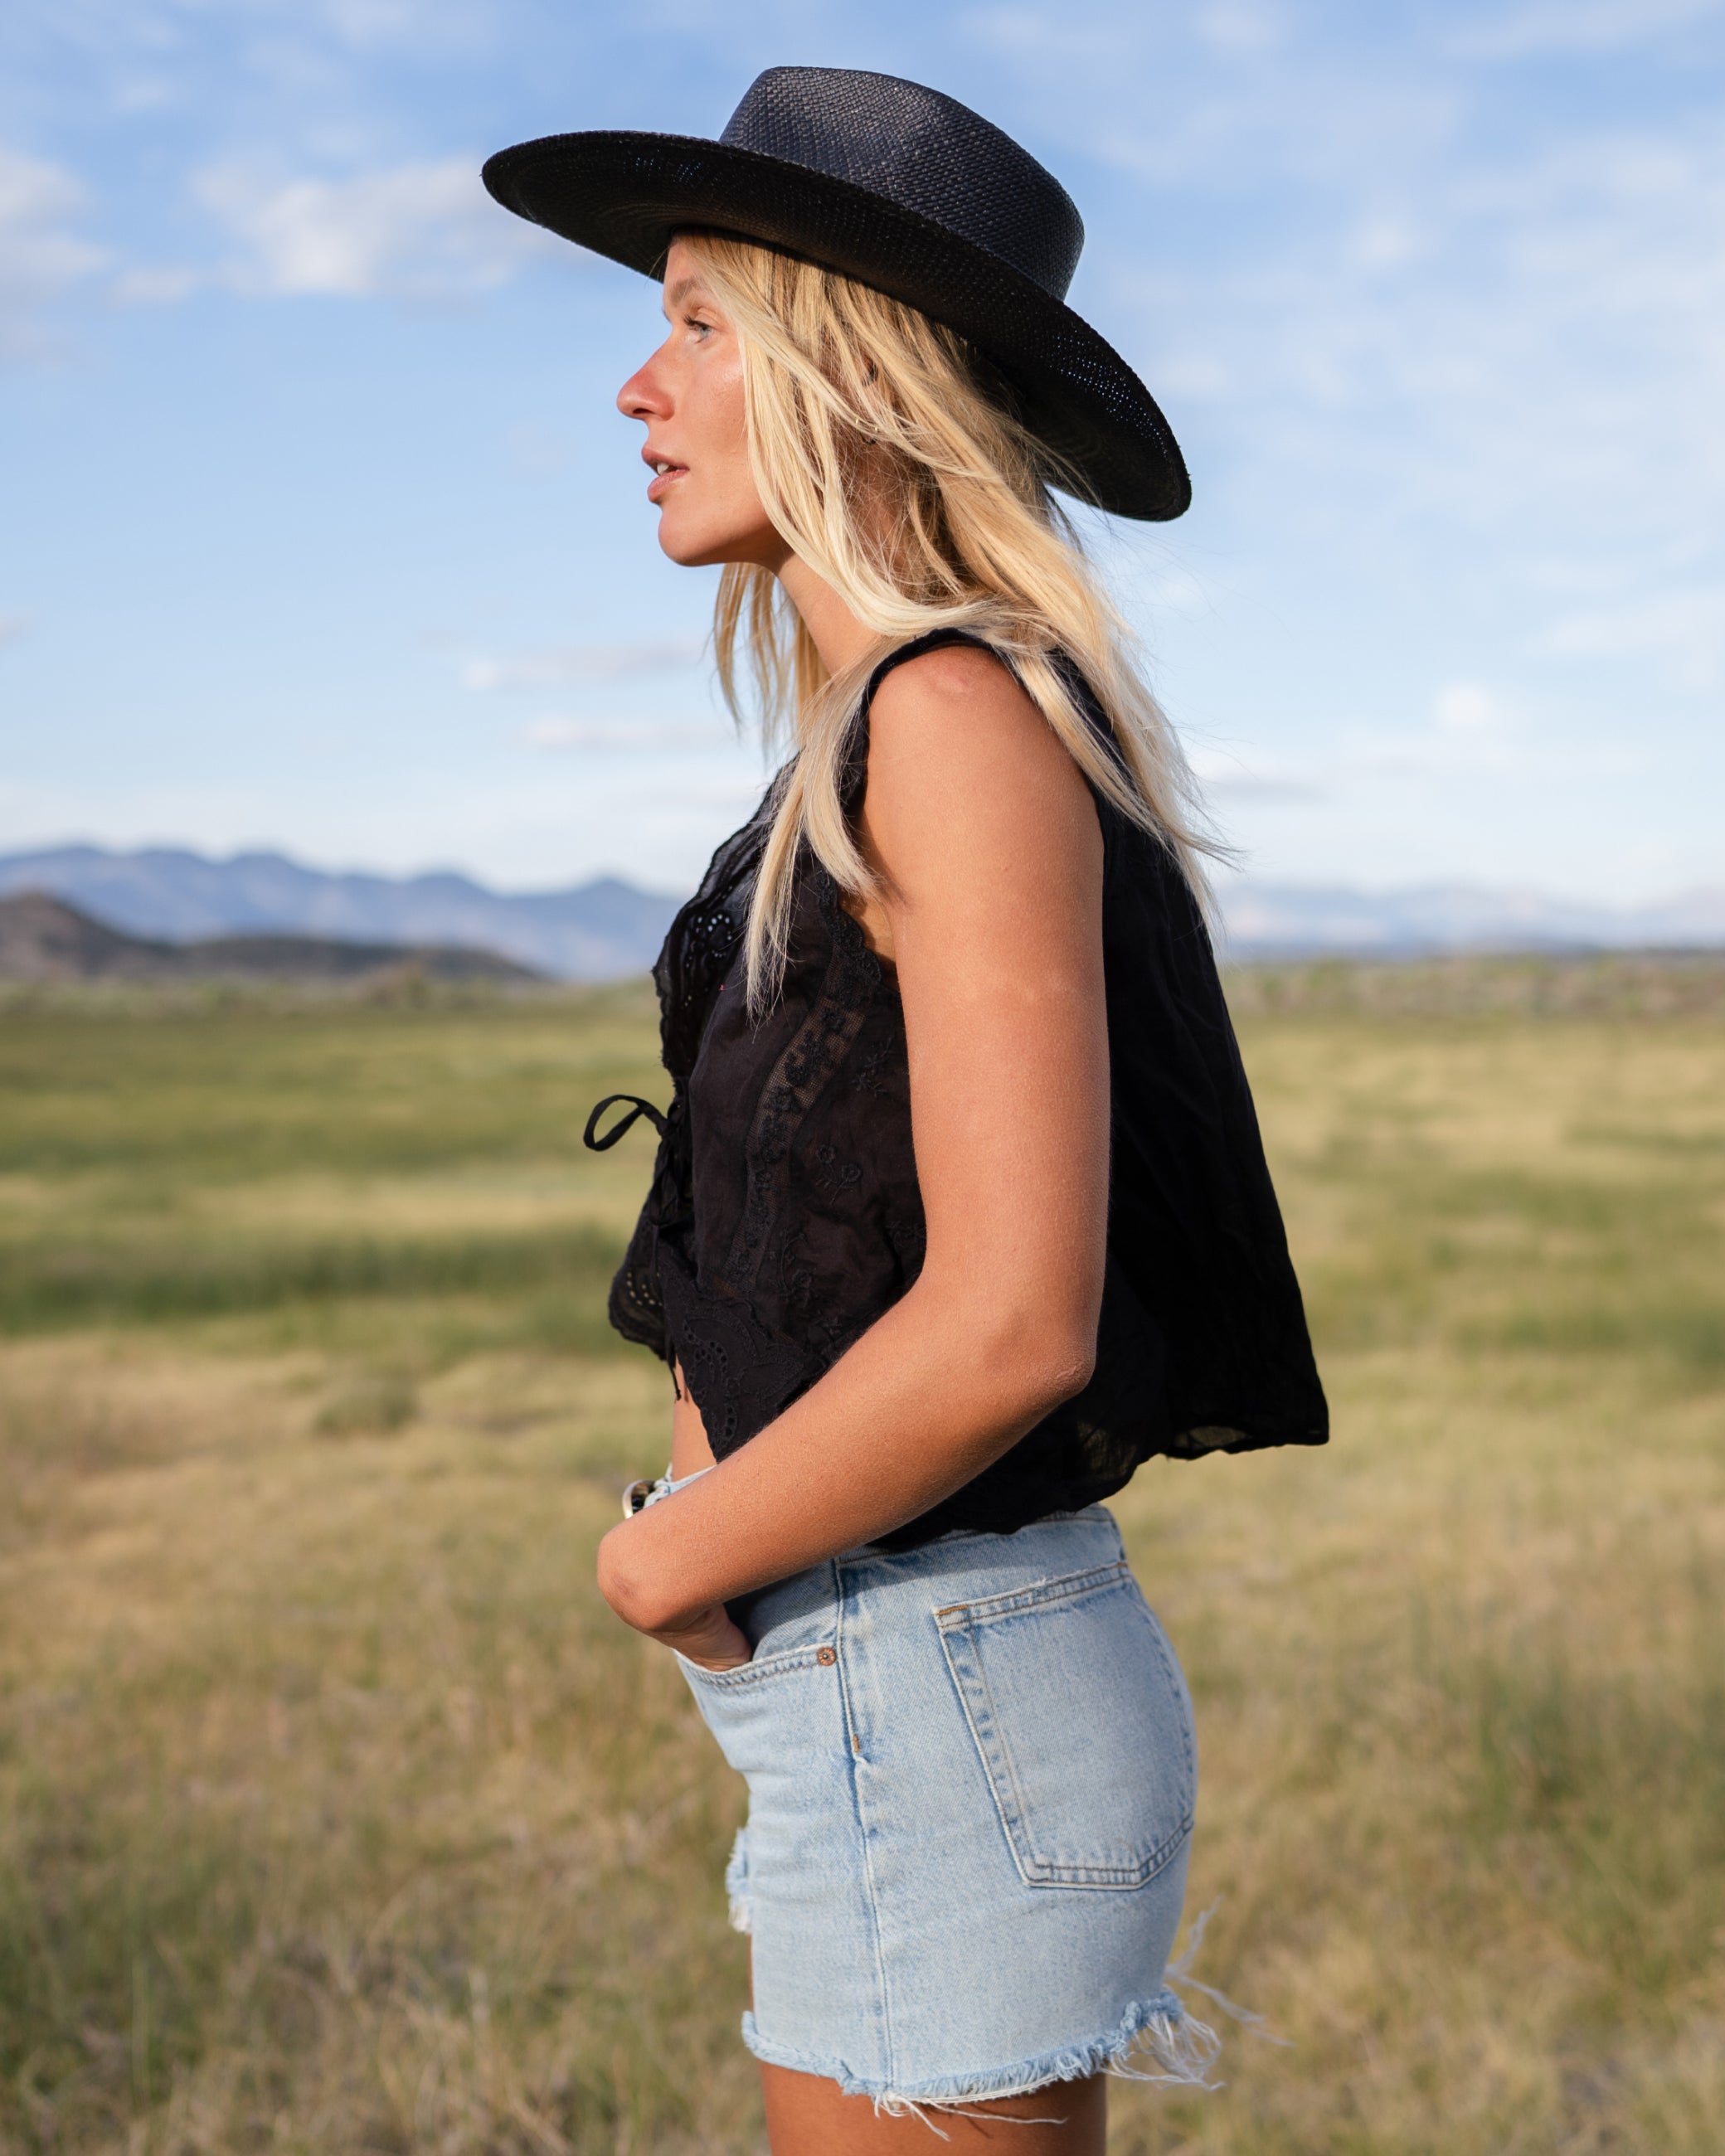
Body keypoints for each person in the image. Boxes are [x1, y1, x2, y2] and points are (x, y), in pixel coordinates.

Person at [483, 67, 1326, 2153]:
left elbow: (1013, 1320)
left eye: (698, 322)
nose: (636, 386)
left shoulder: (949, 716)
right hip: (893, 1683)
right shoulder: (896, 725)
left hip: (934, 1687)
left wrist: (661, 1565)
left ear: (847, 370)